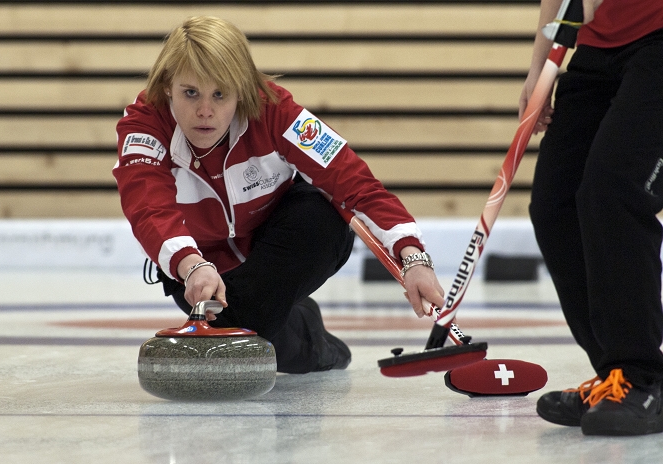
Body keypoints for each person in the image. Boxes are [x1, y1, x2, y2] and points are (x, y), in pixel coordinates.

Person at [113, 16, 445, 374]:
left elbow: (353, 181)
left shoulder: (275, 110)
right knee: (260, 344)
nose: (205, 110)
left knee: (322, 215)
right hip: (199, 272)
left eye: (220, 94)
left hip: (282, 251)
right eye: (190, 92)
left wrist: (413, 257)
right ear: (167, 87)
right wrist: (191, 266)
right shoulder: (144, 127)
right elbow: (148, 208)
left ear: (241, 89)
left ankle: (245, 326)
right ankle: (314, 343)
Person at [520, 0, 663, 435]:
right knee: (553, 204)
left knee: (614, 191)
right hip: (598, 48)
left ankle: (641, 378)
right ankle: (613, 377)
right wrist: (539, 66)